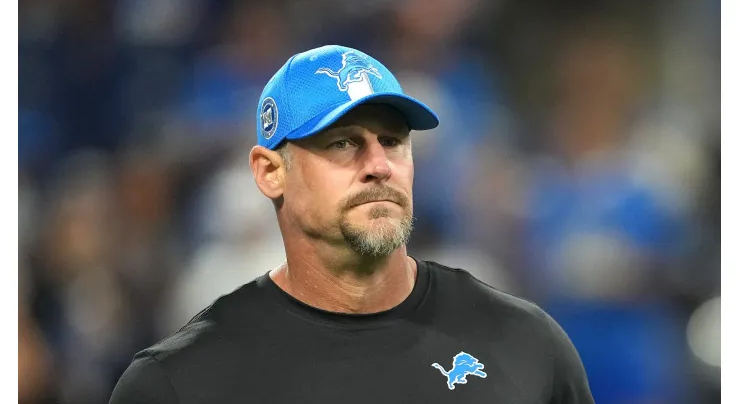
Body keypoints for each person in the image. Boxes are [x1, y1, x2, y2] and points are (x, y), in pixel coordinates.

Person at [110, 45, 594, 403]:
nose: (379, 164)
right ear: (270, 172)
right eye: (343, 142)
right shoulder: (180, 382)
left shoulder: (525, 344)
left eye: (393, 140)